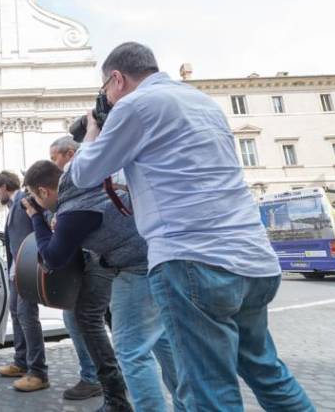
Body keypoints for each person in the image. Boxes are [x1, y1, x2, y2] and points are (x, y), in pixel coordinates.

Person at [69, 41, 314, 411]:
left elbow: (85, 173)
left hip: (194, 263)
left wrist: (92, 131)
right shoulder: (202, 102)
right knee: (267, 373)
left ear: (116, 79)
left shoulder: (136, 105)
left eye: (105, 90)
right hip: (254, 261)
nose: (106, 100)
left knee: (210, 391)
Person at [23, 159, 182, 411]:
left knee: (131, 352)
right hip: (155, 259)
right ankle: (187, 403)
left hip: (135, 268)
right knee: (161, 342)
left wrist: (35, 217)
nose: (34, 201)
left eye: (34, 195)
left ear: (43, 191)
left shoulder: (74, 209)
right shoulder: (83, 188)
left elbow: (52, 257)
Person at [48, 136, 101, 401]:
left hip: (99, 261)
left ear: (69, 153)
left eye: (54, 158)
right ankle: (101, 376)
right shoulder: (78, 175)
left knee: (84, 319)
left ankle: (95, 377)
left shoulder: (81, 174)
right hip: (97, 261)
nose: (53, 165)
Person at [0, 171, 50, 392]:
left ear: (4, 187)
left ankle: (38, 372)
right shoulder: (12, 208)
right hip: (16, 272)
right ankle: (21, 362)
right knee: (16, 313)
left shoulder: (24, 201)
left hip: (27, 270)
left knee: (27, 316)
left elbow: (39, 228)